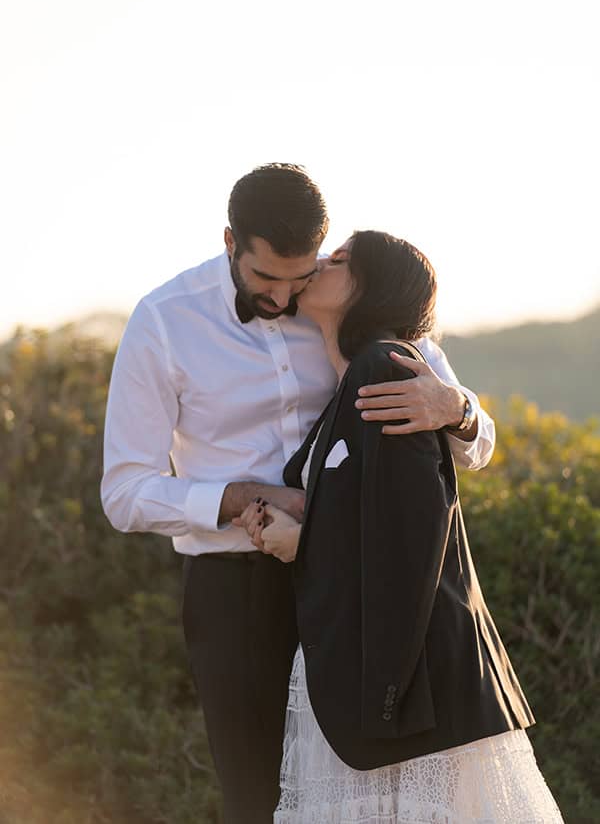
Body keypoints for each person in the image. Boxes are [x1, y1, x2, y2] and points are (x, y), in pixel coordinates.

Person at [101, 164, 496, 824]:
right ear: (231, 242)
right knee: (259, 801)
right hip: (238, 593)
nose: (284, 297)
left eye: (300, 276)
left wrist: (453, 404)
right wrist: (242, 497)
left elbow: (475, 444)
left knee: (367, 793)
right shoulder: (164, 322)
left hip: (356, 593)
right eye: (265, 280)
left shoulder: (354, 299)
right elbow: (125, 491)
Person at [234, 231, 564, 823]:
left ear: (371, 287)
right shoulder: (350, 384)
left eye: (340, 260)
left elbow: (413, 528)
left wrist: (301, 544)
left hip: (410, 676)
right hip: (361, 659)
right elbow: (368, 507)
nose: (322, 263)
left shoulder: (384, 367)